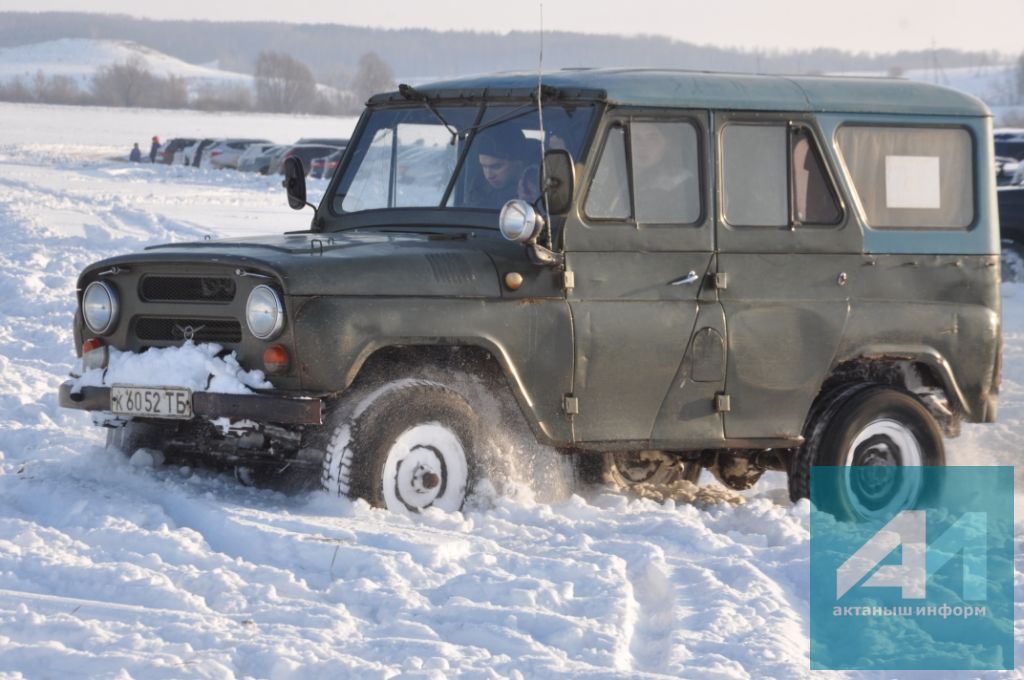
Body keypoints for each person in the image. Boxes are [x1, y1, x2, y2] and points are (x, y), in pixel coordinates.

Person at [466, 126, 530, 208]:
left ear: (519, 164)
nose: (489, 176)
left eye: (496, 167)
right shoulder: (479, 186)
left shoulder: (534, 190)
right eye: (484, 166)